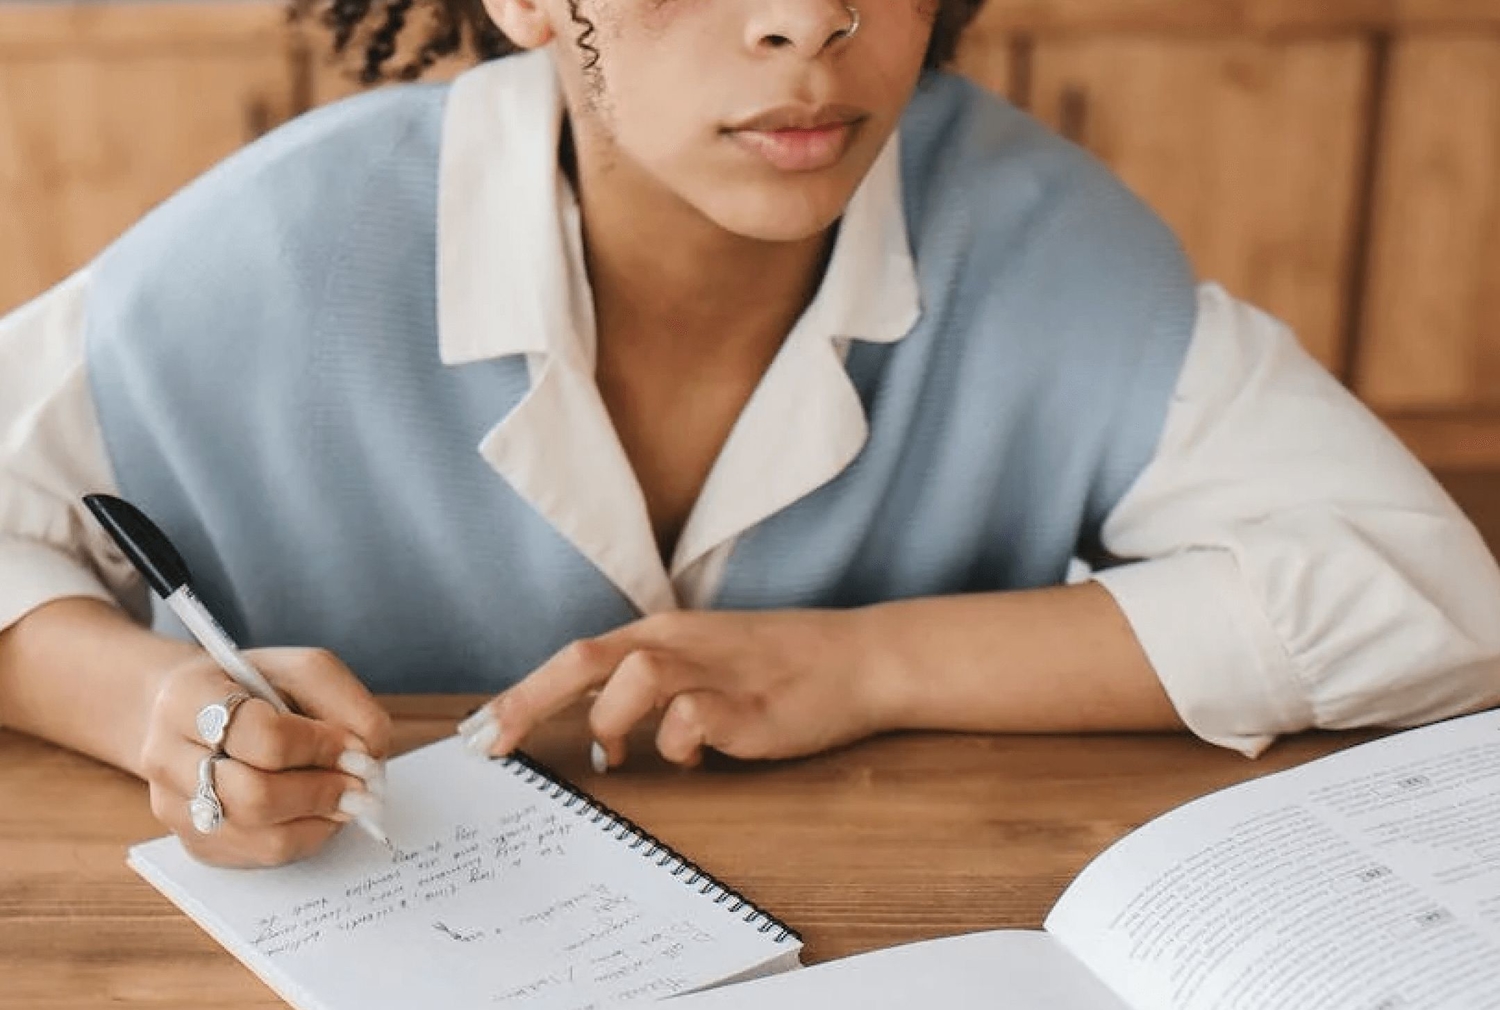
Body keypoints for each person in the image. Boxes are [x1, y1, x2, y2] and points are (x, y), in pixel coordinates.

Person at [0, 0, 1498, 869]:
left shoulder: (1044, 237)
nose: (806, 21)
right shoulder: (272, 250)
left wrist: (868, 660)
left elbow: (1430, 601)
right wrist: (151, 707)